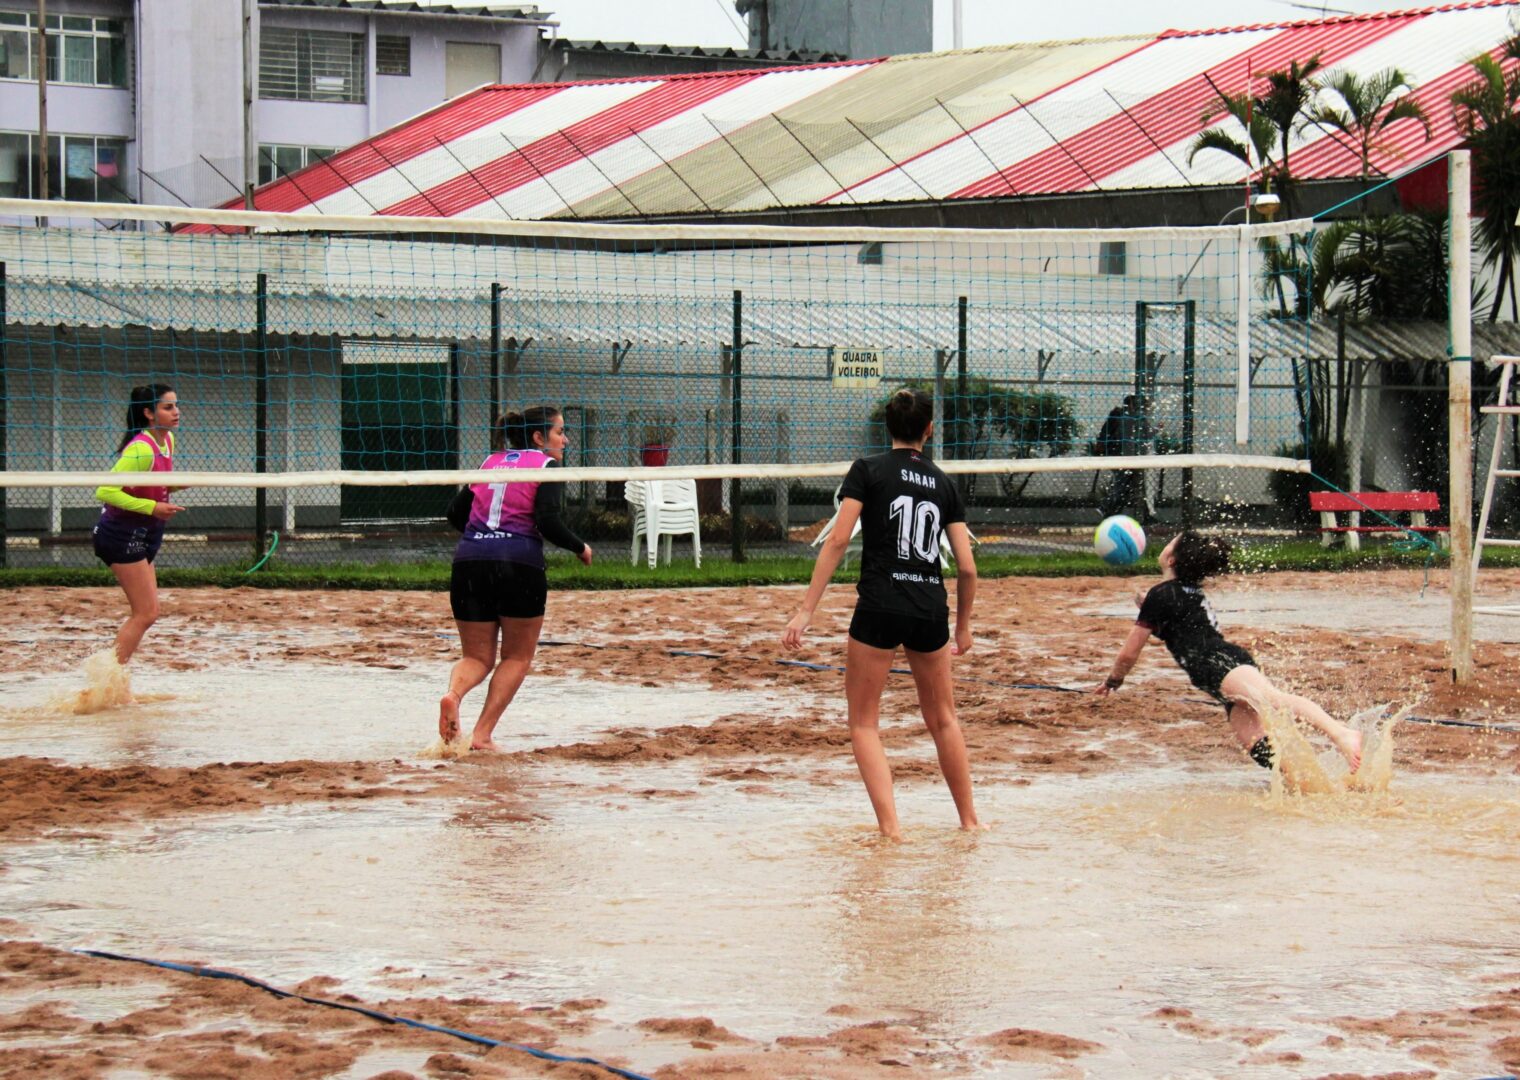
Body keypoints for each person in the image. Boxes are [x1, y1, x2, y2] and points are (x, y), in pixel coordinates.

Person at [782, 387, 984, 840]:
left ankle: (891, 829)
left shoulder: (867, 469)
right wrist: (964, 626)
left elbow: (837, 540)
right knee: (944, 719)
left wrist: (805, 611)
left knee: (863, 723)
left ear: (886, 426)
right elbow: (967, 568)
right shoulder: (945, 483)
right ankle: (970, 821)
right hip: (929, 606)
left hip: (878, 603)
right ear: (929, 430)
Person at [1094, 531, 1362, 772]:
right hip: (1218, 670)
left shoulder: (1163, 594)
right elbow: (1182, 632)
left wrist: (1114, 680)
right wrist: (1152, 611)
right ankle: (1306, 778)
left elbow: (1129, 653)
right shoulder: (1180, 593)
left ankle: (1341, 734)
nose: (1165, 545)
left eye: (1170, 543)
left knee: (1271, 698)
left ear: (1172, 560)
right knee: (1257, 744)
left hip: (1221, 664)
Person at [439, 406, 592, 752]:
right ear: (538, 438)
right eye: (559, 432)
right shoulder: (546, 466)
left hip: (469, 561)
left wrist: (485, 538)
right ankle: (481, 735)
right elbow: (548, 520)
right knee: (517, 657)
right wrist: (579, 546)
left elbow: (454, 514)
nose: (565, 440)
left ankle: (453, 695)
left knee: (477, 658)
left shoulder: (489, 463)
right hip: (518, 564)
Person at [93, 383, 185, 667]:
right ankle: (107, 679)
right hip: (120, 534)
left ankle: (113, 680)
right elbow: (105, 491)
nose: (176, 412)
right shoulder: (140, 449)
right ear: (148, 413)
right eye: (167, 407)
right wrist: (152, 507)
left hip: (146, 533)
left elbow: (153, 486)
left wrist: (180, 485)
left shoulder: (167, 440)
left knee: (149, 612)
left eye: (175, 405)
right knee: (145, 613)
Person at [1097, 394, 1155, 523]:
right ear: (1131, 405)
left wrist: (1156, 430)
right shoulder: (1118, 416)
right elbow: (1105, 433)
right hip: (1120, 457)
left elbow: (1147, 433)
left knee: (1136, 485)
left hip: (1134, 458)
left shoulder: (1138, 418)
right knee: (1122, 486)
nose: (1143, 409)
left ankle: (1142, 514)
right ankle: (1107, 510)